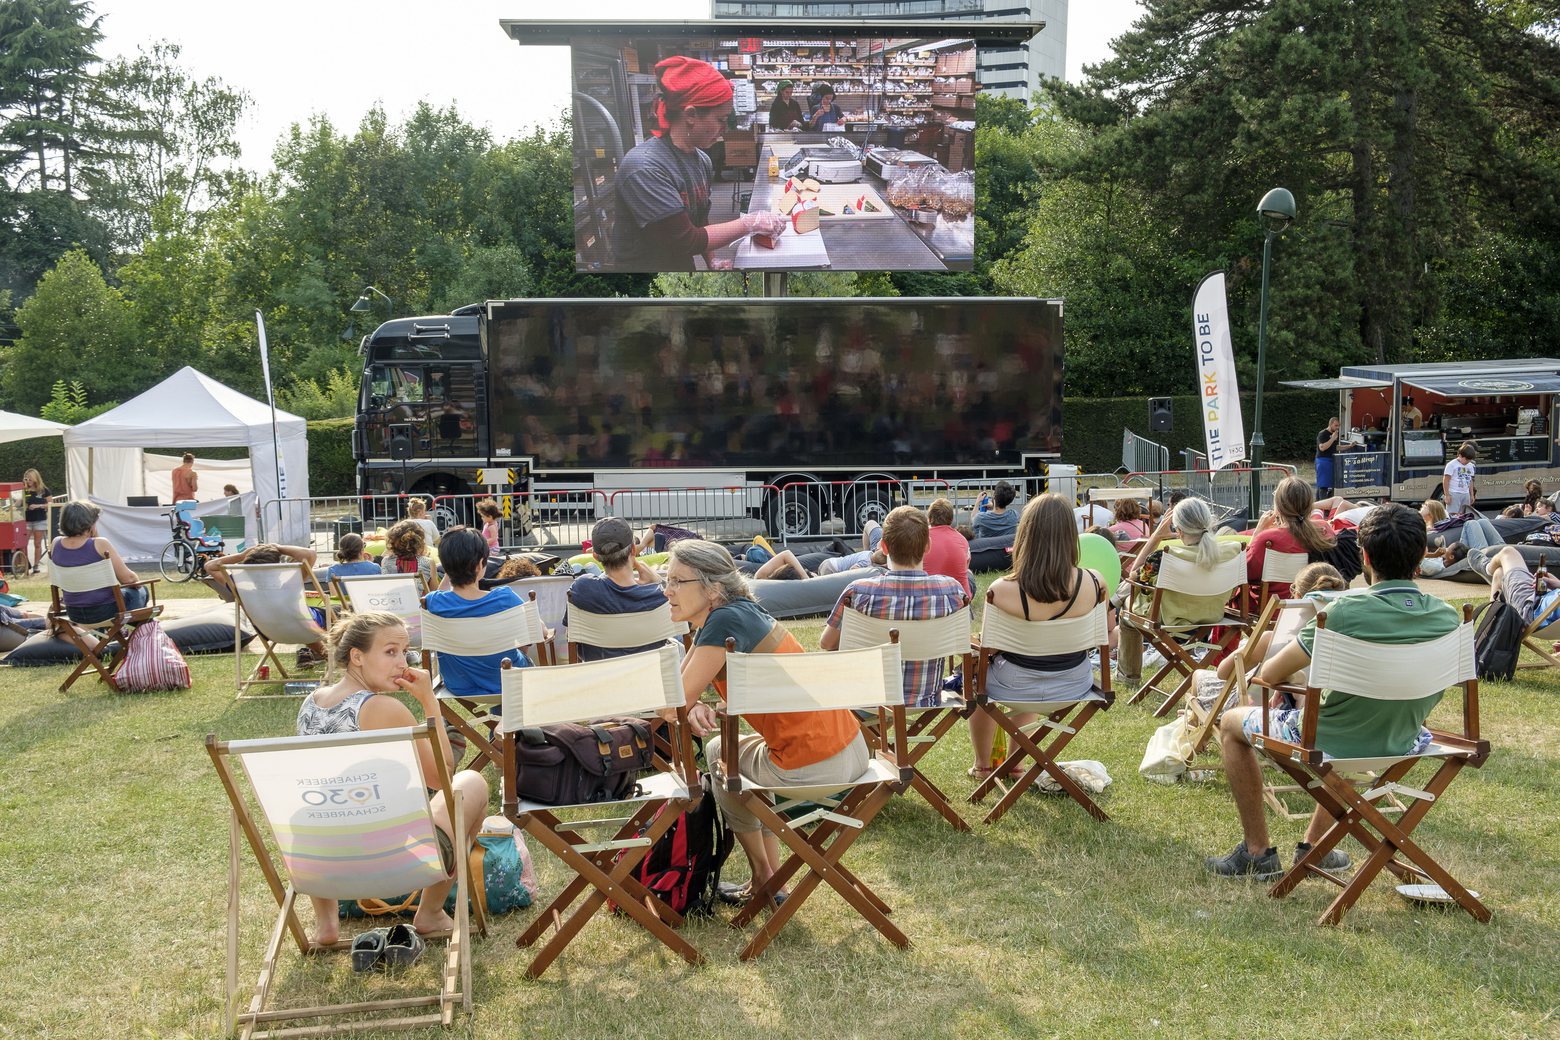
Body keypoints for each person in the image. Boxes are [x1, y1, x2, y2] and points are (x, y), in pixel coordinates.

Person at [1205, 503, 1459, 879]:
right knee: (1360, 719)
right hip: (1403, 739)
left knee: (1230, 724)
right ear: (1422, 555)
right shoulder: (1447, 617)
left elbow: (1270, 674)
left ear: (1366, 556)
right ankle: (1317, 848)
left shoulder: (1342, 613)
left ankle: (1257, 853)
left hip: (1330, 739)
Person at [664, 539, 867, 904]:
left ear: (712, 587)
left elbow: (671, 705)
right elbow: (681, 696)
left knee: (720, 756)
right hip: (851, 747)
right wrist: (689, 704)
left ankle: (765, 878)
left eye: (678, 581)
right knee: (727, 750)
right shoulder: (736, 612)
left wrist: (685, 704)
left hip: (816, 762)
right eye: (667, 579)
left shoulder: (722, 621)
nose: (668, 590)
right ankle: (773, 881)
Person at [295, 611, 490, 945]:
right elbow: (441, 776)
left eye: (404, 651)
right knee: (470, 784)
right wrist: (429, 700)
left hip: (317, 862)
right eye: (389, 652)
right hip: (390, 865)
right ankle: (430, 912)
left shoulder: (310, 704)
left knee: (328, 810)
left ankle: (326, 924)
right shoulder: (384, 710)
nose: (402, 662)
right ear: (357, 656)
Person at [962, 494, 1108, 779]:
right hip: (1073, 683)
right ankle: (1015, 765)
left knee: (978, 676)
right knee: (1029, 661)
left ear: (1026, 534)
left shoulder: (1002, 589)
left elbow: (989, 651)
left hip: (1016, 685)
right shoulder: (1095, 582)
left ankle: (983, 766)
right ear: (1070, 535)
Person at [611, 55, 785, 272]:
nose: (725, 129)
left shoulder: (701, 160)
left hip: (681, 271)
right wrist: (750, 223)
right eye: (720, 120)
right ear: (691, 115)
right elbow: (685, 239)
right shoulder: (645, 168)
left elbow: (699, 222)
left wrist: (711, 261)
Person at [819, 506, 968, 706]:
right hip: (927, 697)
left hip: (868, 699)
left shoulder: (858, 593)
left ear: (884, 547)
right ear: (927, 546)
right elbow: (962, 643)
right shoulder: (952, 591)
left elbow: (827, 644)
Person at [1114, 497, 1244, 691]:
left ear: (1178, 529)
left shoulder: (1167, 555)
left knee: (1126, 614)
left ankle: (1128, 677)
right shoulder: (1232, 551)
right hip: (1212, 618)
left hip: (1170, 623)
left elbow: (1134, 575)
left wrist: (1156, 536)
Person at [423, 527, 532, 698]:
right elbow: (538, 631)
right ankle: (507, 717)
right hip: (506, 679)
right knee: (522, 649)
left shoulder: (433, 602)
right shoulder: (505, 598)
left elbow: (442, 591)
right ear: (481, 564)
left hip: (459, 684)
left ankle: (499, 720)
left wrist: (450, 570)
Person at [206, 541, 330, 664]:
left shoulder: (240, 589)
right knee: (338, 612)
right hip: (306, 628)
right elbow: (310, 554)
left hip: (270, 632)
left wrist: (241, 555)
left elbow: (210, 566)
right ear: (277, 569)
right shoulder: (290, 585)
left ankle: (328, 656)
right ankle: (337, 656)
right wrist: (279, 547)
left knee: (294, 622)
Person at [566, 517, 670, 662]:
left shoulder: (581, 589)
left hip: (600, 679)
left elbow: (571, 636)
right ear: (633, 550)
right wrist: (659, 583)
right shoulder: (661, 597)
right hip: (650, 678)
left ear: (595, 556)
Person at [48, 500, 148, 625]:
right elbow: (128, 579)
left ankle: (113, 635)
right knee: (141, 591)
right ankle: (132, 634)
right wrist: (136, 581)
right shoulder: (100, 544)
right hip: (105, 612)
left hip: (73, 612)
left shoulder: (55, 543)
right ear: (89, 523)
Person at [1246, 476, 1336, 598]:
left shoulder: (1267, 539)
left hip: (1270, 608)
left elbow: (1245, 573)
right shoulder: (1324, 530)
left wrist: (1257, 533)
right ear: (1310, 504)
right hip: (1311, 604)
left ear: (1278, 505)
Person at [923, 498, 973, 597]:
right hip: (960, 598)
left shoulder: (920, 537)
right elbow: (965, 567)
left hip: (928, 596)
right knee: (969, 574)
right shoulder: (962, 540)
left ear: (929, 518)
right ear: (951, 519)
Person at [21, 468, 50, 575]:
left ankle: (36, 566)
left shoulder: (44, 490)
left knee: (37, 543)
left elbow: (50, 504)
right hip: (26, 520)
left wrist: (39, 506)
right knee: (23, 544)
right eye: (26, 479)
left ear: (35, 478)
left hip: (40, 519)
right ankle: (25, 564)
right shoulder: (24, 490)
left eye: (30, 479)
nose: (28, 481)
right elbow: (18, 502)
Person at [1315, 418, 1349, 497]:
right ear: (1330, 424)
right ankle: (1322, 505)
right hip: (1323, 461)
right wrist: (1332, 438)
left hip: (1331, 460)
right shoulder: (1323, 434)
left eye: (1339, 426)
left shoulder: (1334, 433)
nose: (1337, 428)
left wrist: (1349, 446)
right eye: (1336, 425)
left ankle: (1318, 503)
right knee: (1323, 485)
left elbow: (1335, 447)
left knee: (1328, 484)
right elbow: (1322, 447)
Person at [1443, 441, 1478, 515]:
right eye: (1466, 459)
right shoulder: (1452, 465)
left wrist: (1471, 494)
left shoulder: (1470, 465)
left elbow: (1470, 480)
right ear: (1460, 455)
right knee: (1453, 515)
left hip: (1465, 493)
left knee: (1464, 514)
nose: (1467, 462)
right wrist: (1447, 495)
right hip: (1454, 492)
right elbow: (1446, 480)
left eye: (1469, 460)